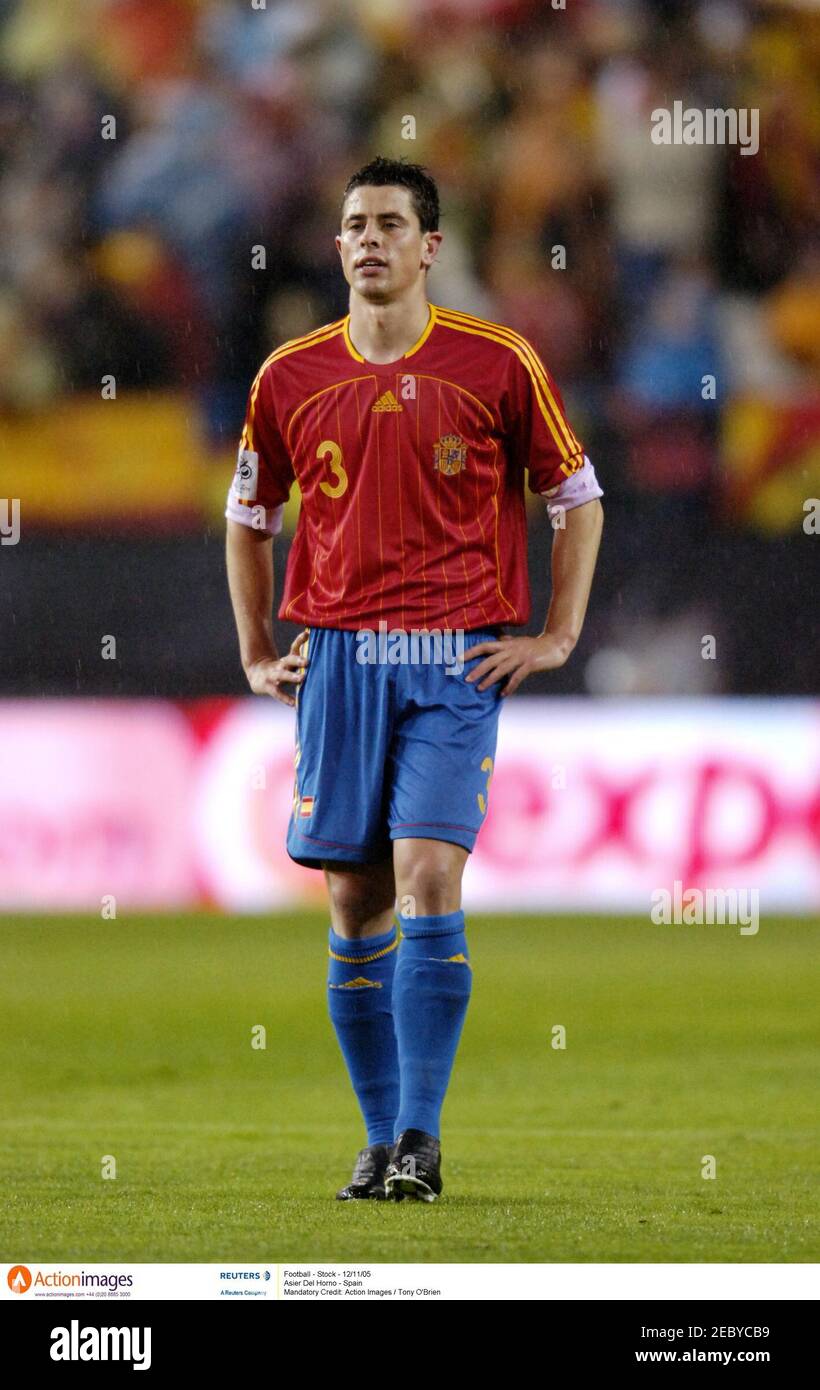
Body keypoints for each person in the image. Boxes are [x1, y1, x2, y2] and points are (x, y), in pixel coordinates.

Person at [225, 156, 603, 1202]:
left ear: (429, 246)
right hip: (339, 660)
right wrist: (258, 650)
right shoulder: (288, 377)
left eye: (392, 223)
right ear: (339, 244)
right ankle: (379, 1137)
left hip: (453, 655)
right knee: (354, 900)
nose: (370, 240)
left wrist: (555, 635)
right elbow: (247, 518)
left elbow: (578, 497)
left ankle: (423, 1143)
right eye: (355, 224)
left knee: (430, 876)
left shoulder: (496, 362)